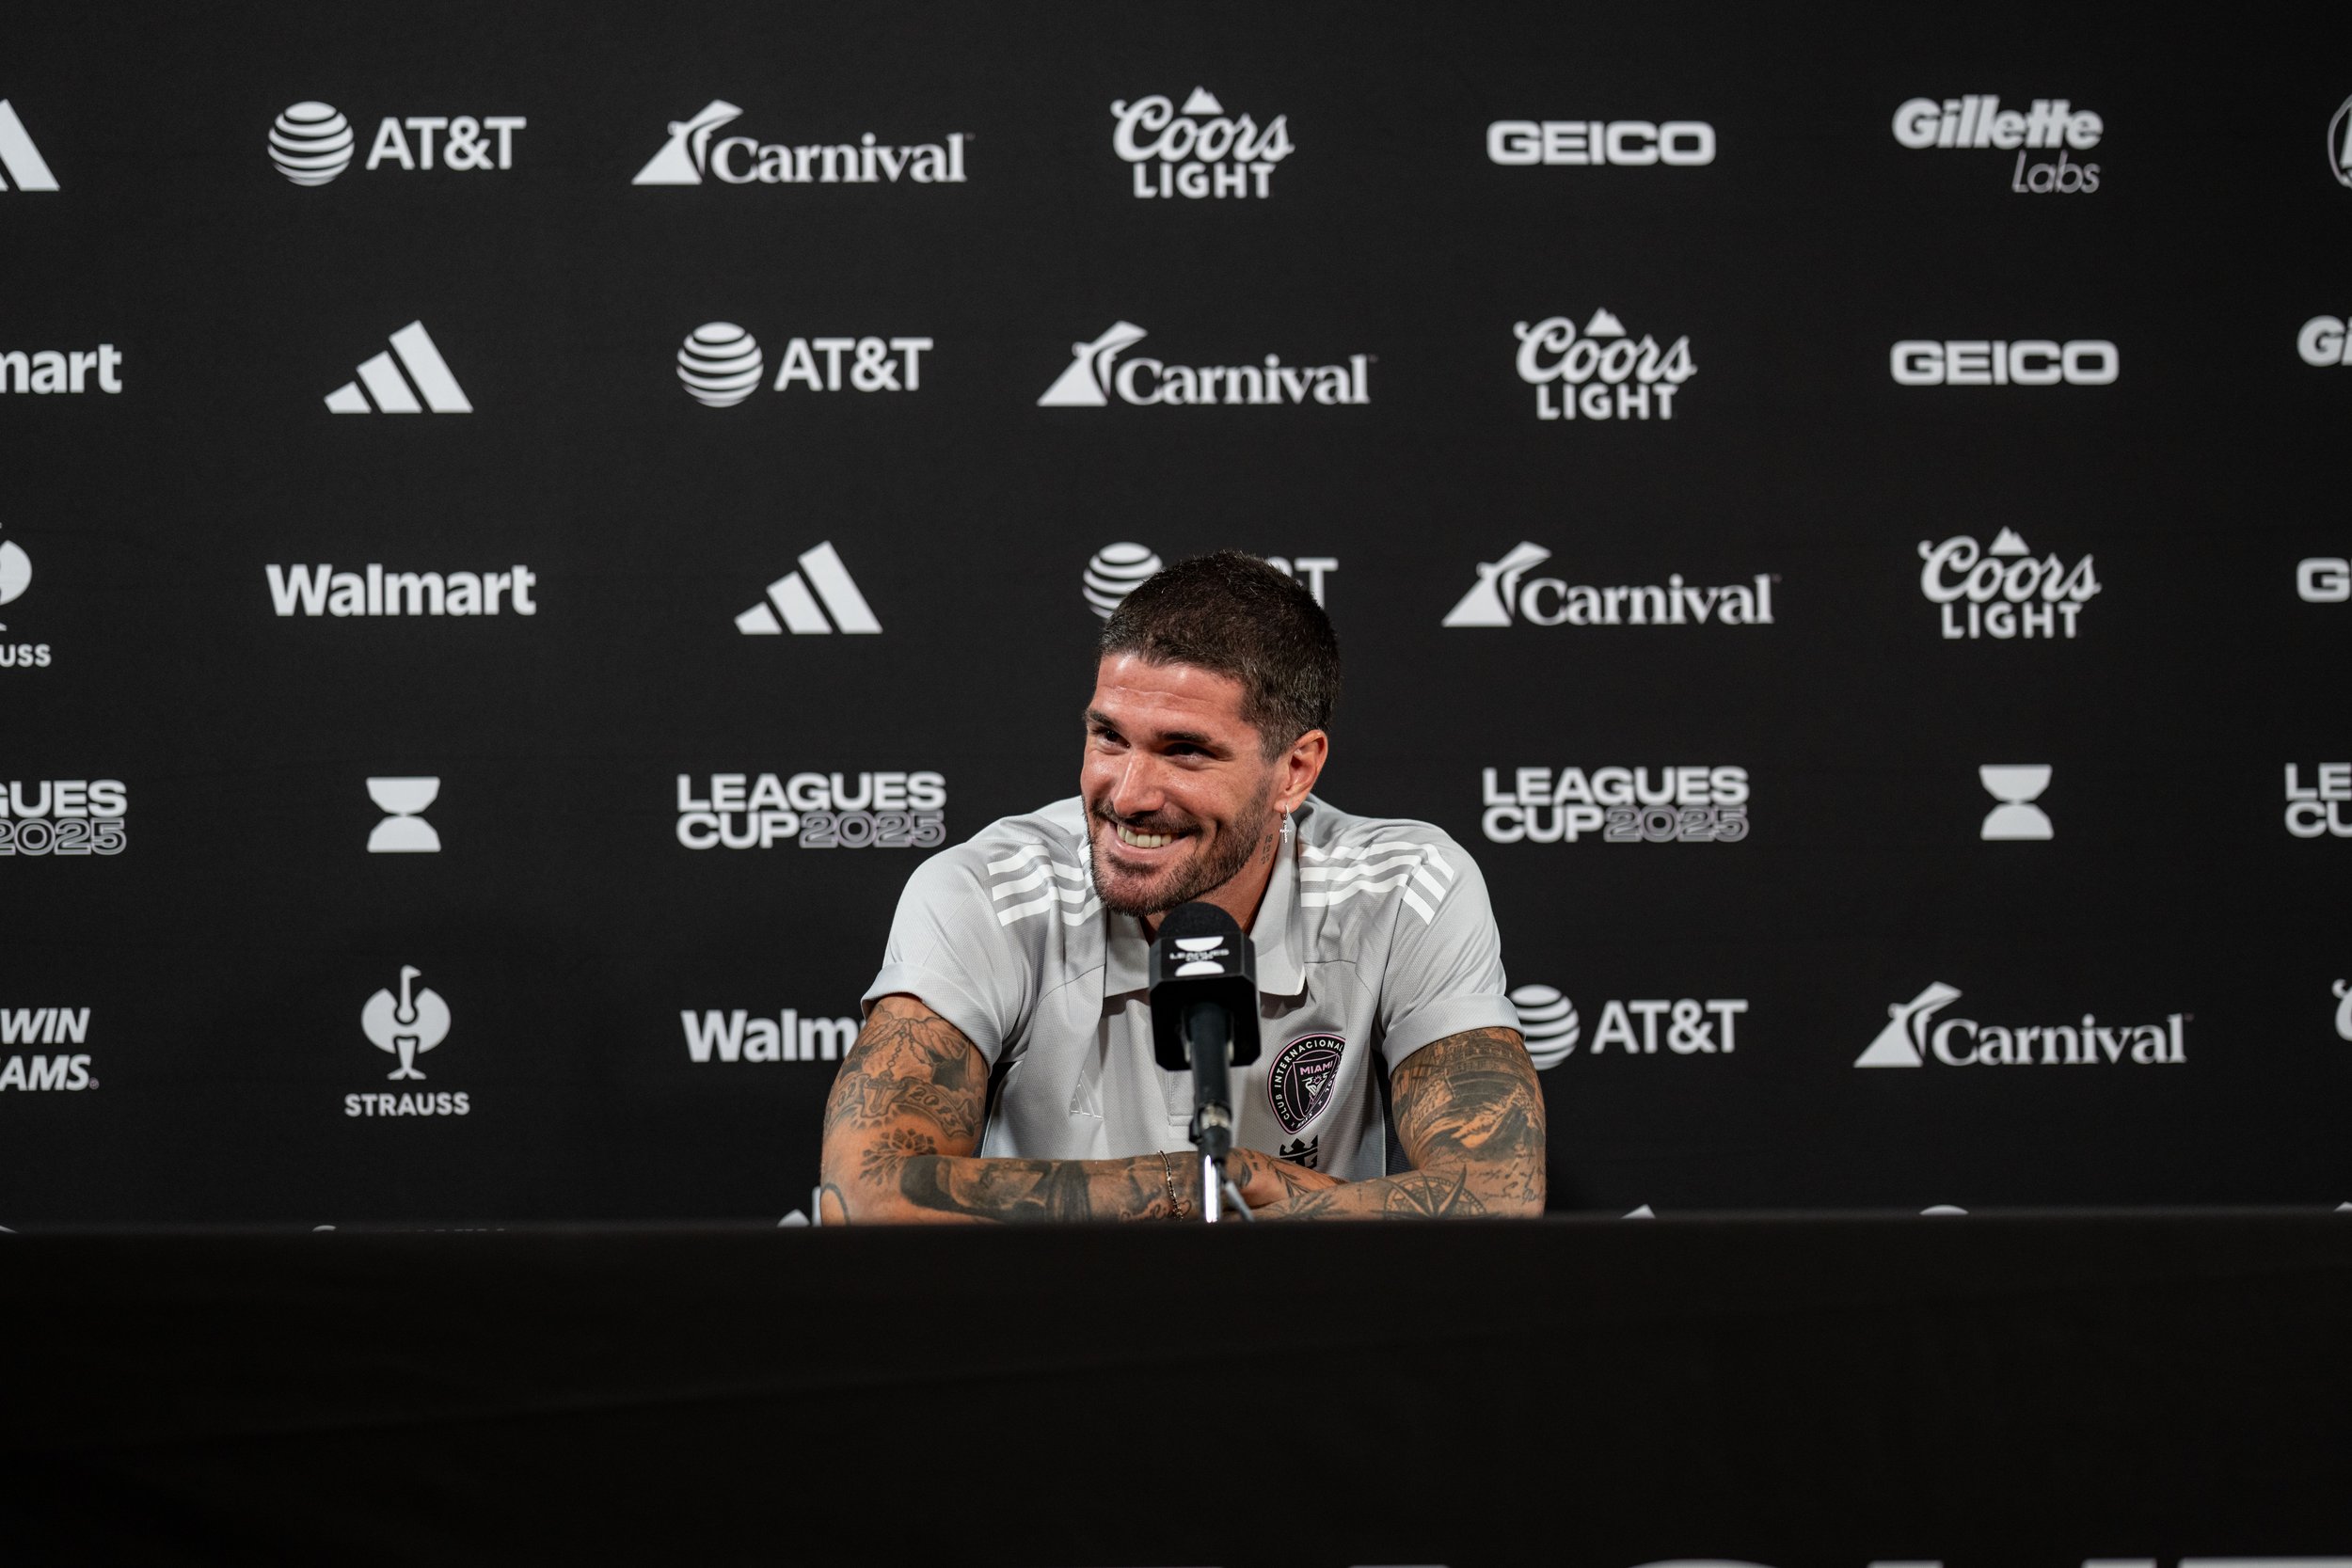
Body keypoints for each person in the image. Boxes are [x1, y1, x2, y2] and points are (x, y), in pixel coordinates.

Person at [818, 551, 1544, 1222]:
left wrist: (1241, 1188)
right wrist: (1196, 1186)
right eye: (1109, 737)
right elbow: (863, 1193)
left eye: (1185, 750)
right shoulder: (982, 890)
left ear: (1295, 769)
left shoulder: (1407, 885)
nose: (1128, 794)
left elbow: (1499, 1194)